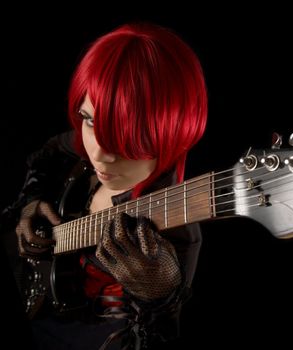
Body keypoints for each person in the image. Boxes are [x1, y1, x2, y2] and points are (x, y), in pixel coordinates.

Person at [0, 21, 207, 349]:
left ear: (173, 130)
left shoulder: (177, 232)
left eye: (128, 135)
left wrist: (158, 299)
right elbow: (48, 153)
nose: (99, 153)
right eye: (90, 120)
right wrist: (32, 199)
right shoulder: (86, 146)